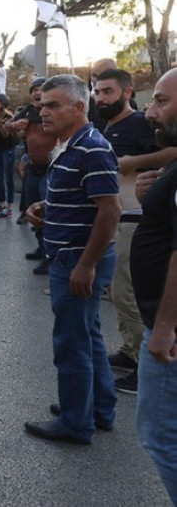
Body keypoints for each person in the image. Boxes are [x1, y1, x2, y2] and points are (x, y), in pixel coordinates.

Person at [24, 74, 120, 445]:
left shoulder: (91, 147)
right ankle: (98, 408)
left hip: (76, 260)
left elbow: (109, 211)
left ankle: (75, 422)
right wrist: (46, 207)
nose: (42, 111)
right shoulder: (71, 144)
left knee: (71, 344)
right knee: (89, 336)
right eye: (42, 104)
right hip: (71, 256)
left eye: (53, 105)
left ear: (79, 108)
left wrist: (86, 265)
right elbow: (83, 196)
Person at [96, 69, 177, 394]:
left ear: (127, 92)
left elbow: (172, 153)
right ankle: (131, 351)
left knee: (125, 290)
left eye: (107, 91)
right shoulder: (109, 125)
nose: (100, 98)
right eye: (97, 92)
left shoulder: (144, 125)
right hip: (125, 214)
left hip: (137, 218)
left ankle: (142, 360)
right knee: (119, 291)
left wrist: (134, 162)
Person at [131, 67, 177, 503]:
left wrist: (164, 328)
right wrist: (153, 197)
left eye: (161, 101)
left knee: (161, 436)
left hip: (169, 333)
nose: (150, 112)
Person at [12, 77, 55, 273]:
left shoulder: (54, 113)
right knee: (33, 212)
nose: (37, 93)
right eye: (34, 90)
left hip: (49, 170)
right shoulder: (27, 112)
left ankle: (50, 256)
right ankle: (42, 248)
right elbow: (8, 126)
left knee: (47, 214)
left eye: (41, 89)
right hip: (33, 170)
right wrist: (16, 126)